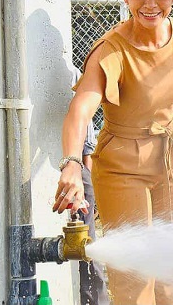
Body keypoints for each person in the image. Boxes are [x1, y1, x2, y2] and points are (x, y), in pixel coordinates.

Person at [52, 0, 173, 305]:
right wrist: (72, 163)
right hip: (124, 164)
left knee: (170, 272)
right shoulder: (111, 49)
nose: (150, 3)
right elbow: (81, 108)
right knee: (136, 277)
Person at [70, 70, 109, 305]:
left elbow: (86, 126)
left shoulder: (75, 74)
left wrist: (87, 174)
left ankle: (96, 301)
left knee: (87, 242)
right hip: (67, 166)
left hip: (78, 169)